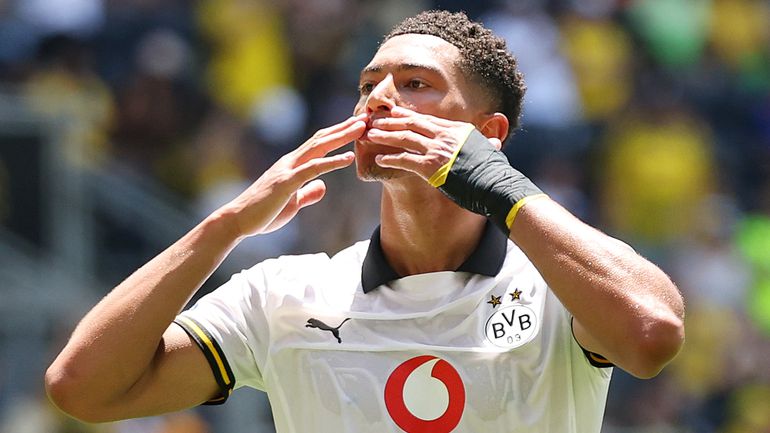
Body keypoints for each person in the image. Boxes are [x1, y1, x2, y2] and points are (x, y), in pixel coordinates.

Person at [45, 10, 685, 433]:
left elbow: (652, 334)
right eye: (369, 84)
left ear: (489, 133)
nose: (379, 98)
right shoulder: (284, 294)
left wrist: (500, 186)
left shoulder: (559, 285)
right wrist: (227, 225)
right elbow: (82, 389)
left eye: (415, 84)